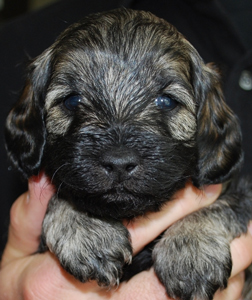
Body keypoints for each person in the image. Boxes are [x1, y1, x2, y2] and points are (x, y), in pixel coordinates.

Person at [0, 0, 252, 298]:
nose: (118, 156)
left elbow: (236, 198)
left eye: (167, 102)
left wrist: (205, 229)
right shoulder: (12, 40)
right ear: (36, 118)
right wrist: (64, 212)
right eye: (72, 102)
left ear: (204, 121)